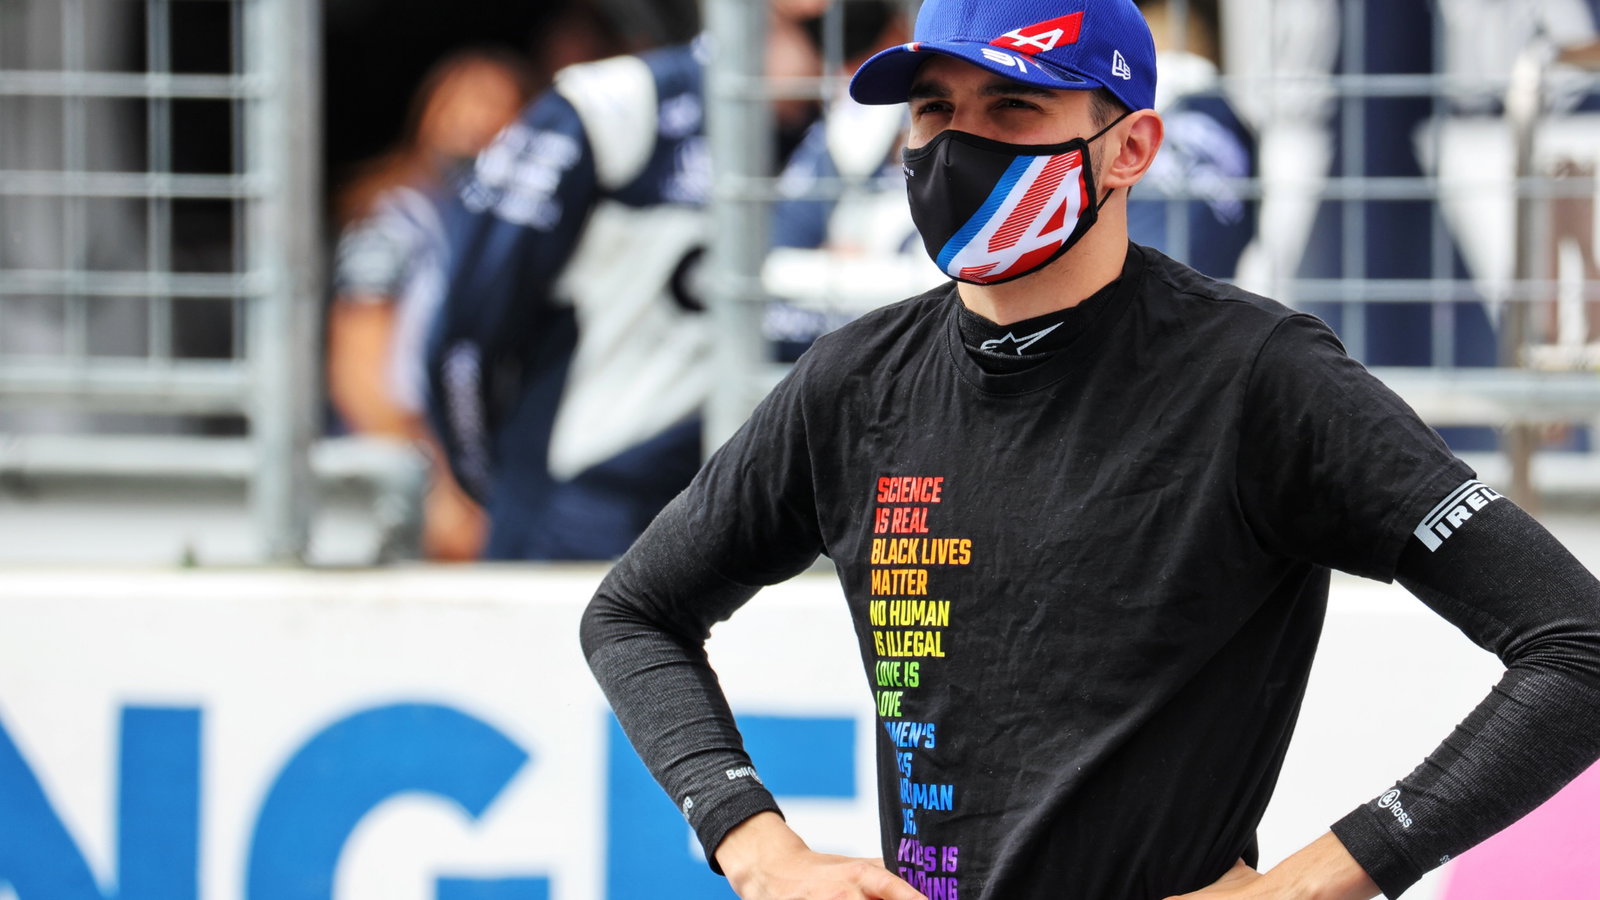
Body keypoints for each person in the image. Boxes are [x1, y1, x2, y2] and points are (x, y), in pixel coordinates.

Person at [582, 1, 1600, 899]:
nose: (955, 147)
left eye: (1013, 110)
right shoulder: (851, 383)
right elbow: (633, 614)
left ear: (1129, 147)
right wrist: (755, 845)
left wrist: (1318, 880)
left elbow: (1576, 646)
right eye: (934, 110)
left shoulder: (1256, 375)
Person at [424, 5, 826, 561]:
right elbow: (468, 329)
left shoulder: (899, 124)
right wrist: (479, 485)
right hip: (582, 501)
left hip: (762, 514)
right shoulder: (615, 105)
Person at [328, 49, 533, 560]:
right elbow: (359, 367)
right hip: (400, 468)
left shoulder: (518, 229)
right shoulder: (393, 224)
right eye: (457, 104)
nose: (475, 122)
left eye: (494, 105)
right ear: (425, 117)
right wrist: (432, 480)